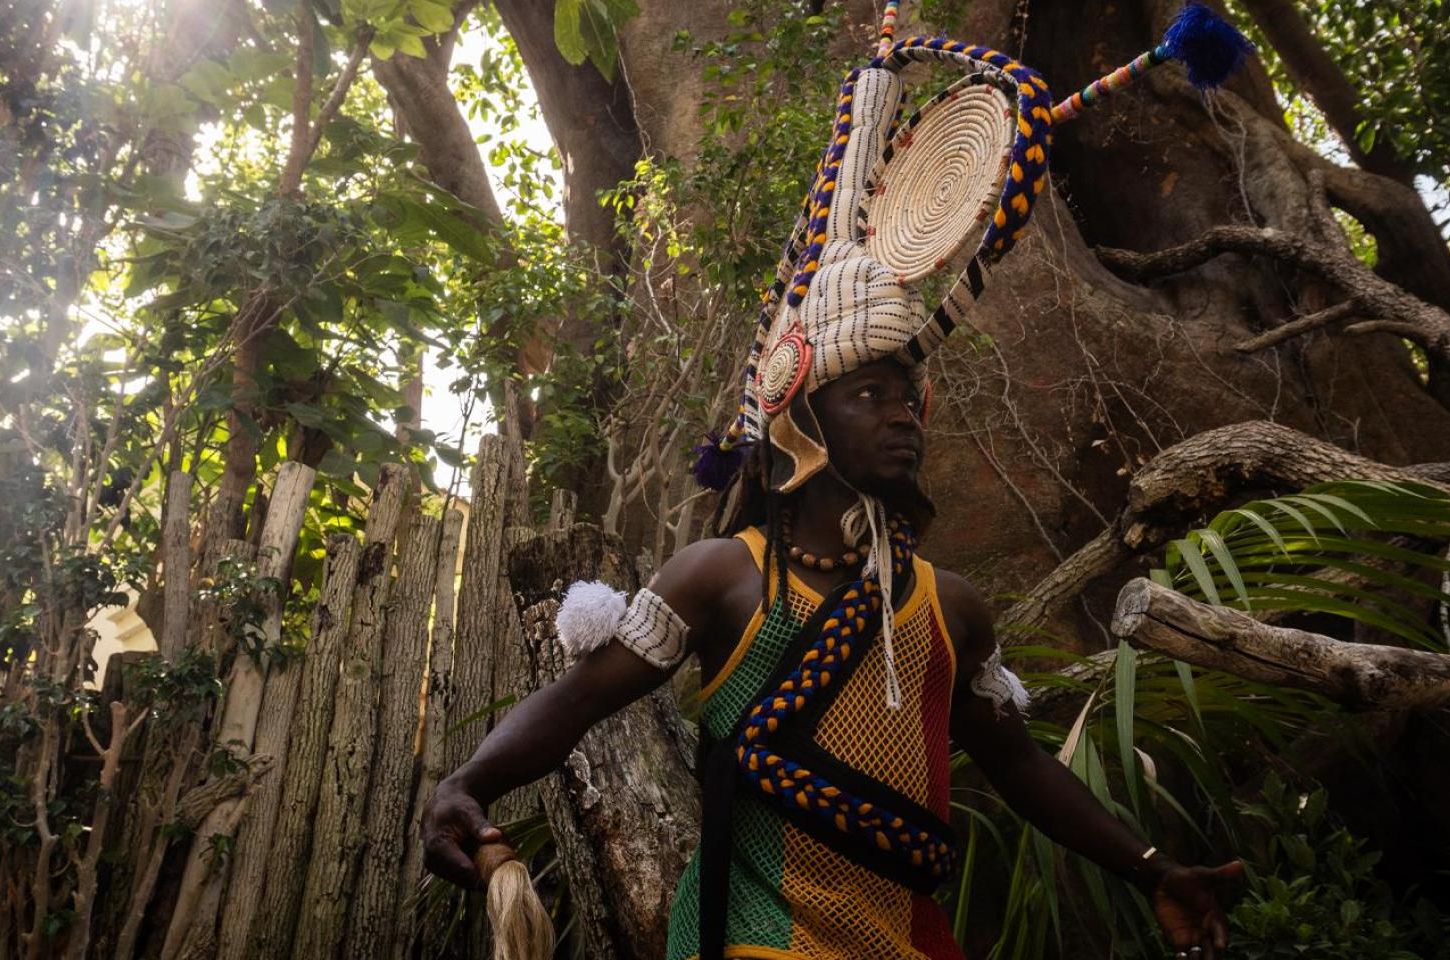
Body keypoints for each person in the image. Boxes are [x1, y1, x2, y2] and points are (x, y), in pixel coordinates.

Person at [425, 23, 1251, 960]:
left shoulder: (950, 608)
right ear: (800, 417)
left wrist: (1155, 870)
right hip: (754, 939)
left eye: (909, 396)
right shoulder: (718, 578)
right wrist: (467, 785)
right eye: (868, 395)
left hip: (910, 941)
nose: (904, 416)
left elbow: (1017, 764)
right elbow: (577, 701)